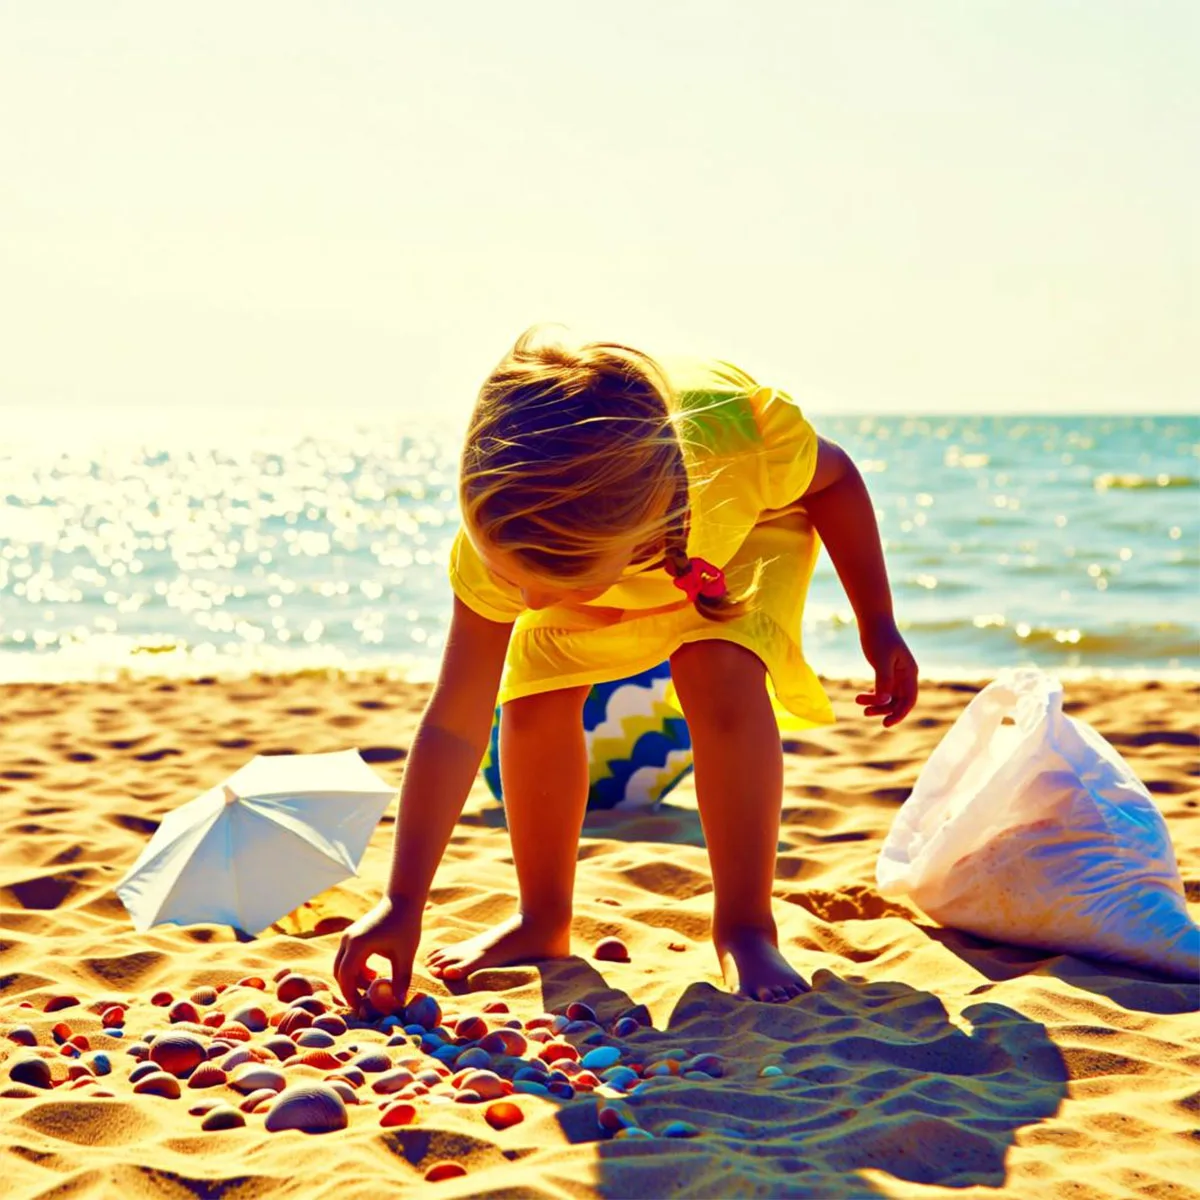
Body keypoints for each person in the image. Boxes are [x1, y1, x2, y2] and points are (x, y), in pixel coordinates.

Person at [334, 326, 918, 1008]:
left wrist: (878, 624)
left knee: (718, 672)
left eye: (541, 583)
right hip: (608, 541)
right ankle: (541, 919)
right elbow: (453, 725)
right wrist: (402, 900)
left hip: (743, 529)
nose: (525, 602)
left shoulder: (743, 446)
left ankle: (746, 927)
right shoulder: (508, 540)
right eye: (508, 575)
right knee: (532, 696)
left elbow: (837, 479)